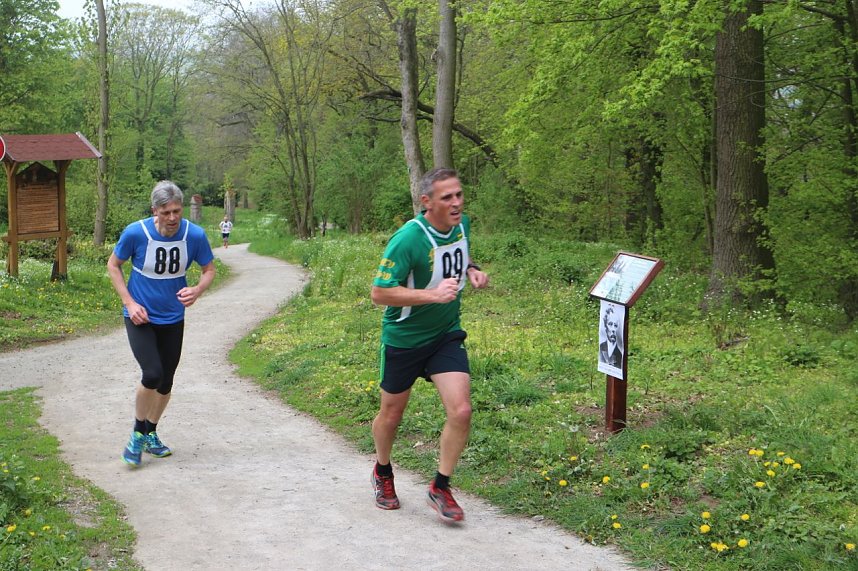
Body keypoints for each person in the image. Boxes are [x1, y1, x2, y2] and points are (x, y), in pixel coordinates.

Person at [369, 167, 489, 523]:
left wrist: (472, 271)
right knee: (391, 415)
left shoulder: (461, 224)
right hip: (404, 339)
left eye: (459, 194)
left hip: (445, 334)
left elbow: (459, 254)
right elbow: (379, 292)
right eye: (447, 197)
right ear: (427, 202)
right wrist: (431, 295)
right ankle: (383, 472)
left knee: (462, 411)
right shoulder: (407, 239)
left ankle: (440, 486)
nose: (456, 203)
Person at [107, 181, 216, 467]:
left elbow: (209, 269)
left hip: (173, 317)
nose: (172, 218)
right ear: (155, 210)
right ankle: (136, 434)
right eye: (166, 212)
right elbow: (113, 265)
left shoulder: (194, 235)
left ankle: (151, 433)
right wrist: (130, 303)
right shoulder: (136, 233)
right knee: (152, 374)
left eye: (176, 211)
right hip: (140, 316)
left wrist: (198, 289)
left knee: (166, 381)